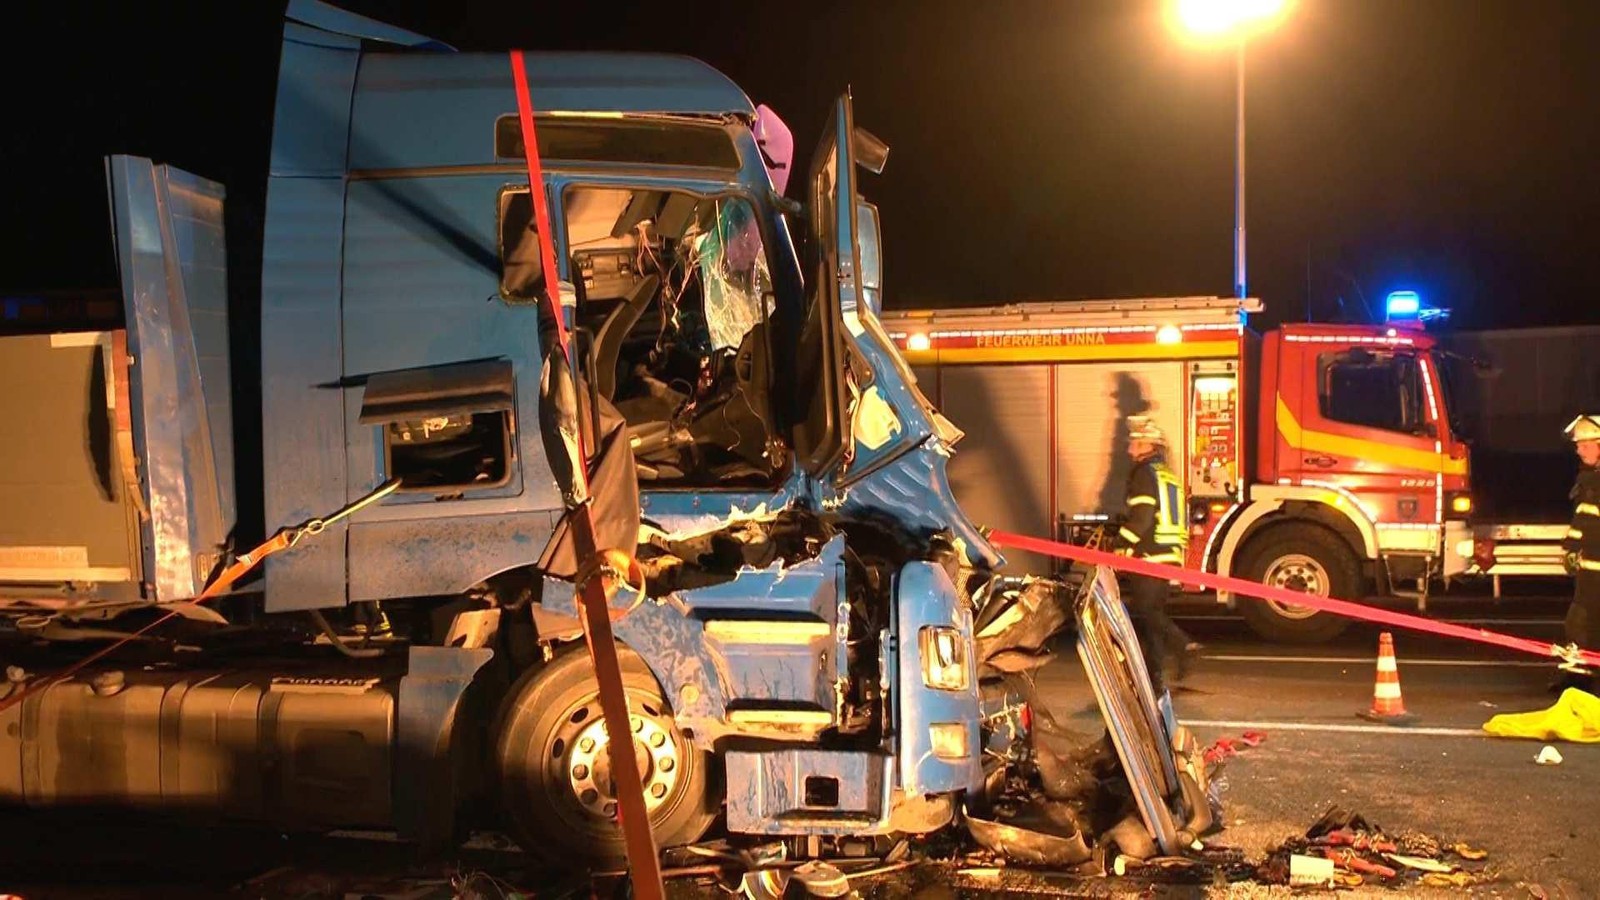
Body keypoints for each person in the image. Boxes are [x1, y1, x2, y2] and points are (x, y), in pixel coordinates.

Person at [1111, 415, 1201, 692]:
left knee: (1148, 613)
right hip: (1169, 555)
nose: (1129, 450)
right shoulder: (1167, 474)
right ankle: (1155, 678)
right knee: (1152, 616)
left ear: (1147, 444)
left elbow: (1141, 518)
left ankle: (1181, 647)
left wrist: (1119, 548)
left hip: (1149, 555)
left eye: (1134, 444)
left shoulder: (1143, 474)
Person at [1555, 413, 1600, 692]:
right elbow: (1584, 520)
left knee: (1581, 623)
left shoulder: (1594, 483)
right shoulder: (1589, 479)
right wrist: (1572, 549)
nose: (1579, 449)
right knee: (1582, 623)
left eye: (1585, 444)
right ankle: (1579, 679)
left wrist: (1571, 549)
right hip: (1591, 570)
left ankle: (1579, 681)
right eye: (1578, 445)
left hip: (1594, 570)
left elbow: (1588, 521)